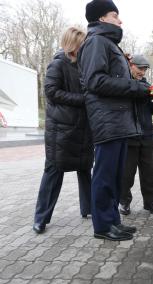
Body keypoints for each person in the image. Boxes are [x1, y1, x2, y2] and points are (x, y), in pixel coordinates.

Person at [78, 0, 153, 241]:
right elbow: (95, 82)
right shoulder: (96, 42)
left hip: (118, 122)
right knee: (104, 176)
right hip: (108, 122)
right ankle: (102, 226)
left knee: (115, 176)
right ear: (102, 18)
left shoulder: (108, 44)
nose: (120, 20)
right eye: (115, 15)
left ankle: (113, 220)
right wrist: (137, 87)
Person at [33, 27, 93, 234]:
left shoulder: (84, 65)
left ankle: (90, 208)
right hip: (61, 129)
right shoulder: (58, 63)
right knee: (53, 171)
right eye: (82, 43)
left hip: (83, 127)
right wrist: (82, 100)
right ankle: (41, 217)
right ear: (73, 44)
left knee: (85, 169)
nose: (85, 46)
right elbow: (50, 92)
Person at [119, 54, 153, 216]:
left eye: (144, 69)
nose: (142, 72)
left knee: (148, 172)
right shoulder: (123, 85)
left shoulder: (149, 86)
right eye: (139, 68)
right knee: (127, 173)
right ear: (130, 66)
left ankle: (149, 203)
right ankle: (124, 202)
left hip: (146, 135)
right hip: (129, 135)